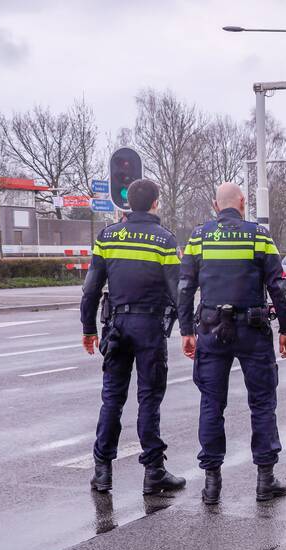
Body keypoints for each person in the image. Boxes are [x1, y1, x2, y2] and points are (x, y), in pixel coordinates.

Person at [178, 183, 286, 505]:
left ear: (216, 205)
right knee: (262, 403)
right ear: (243, 203)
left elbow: (185, 286)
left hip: (211, 330)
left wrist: (187, 330)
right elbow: (278, 287)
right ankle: (265, 481)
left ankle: (212, 485)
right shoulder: (259, 235)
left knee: (212, 405)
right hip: (253, 331)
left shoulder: (199, 237)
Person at [80, 179, 186, 495]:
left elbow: (91, 287)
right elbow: (178, 291)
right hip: (149, 328)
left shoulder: (108, 236)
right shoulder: (164, 240)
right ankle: (153, 472)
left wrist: (88, 329)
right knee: (149, 398)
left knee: (112, 398)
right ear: (155, 203)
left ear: (128, 203)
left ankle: (102, 472)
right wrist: (188, 330)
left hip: (115, 327)